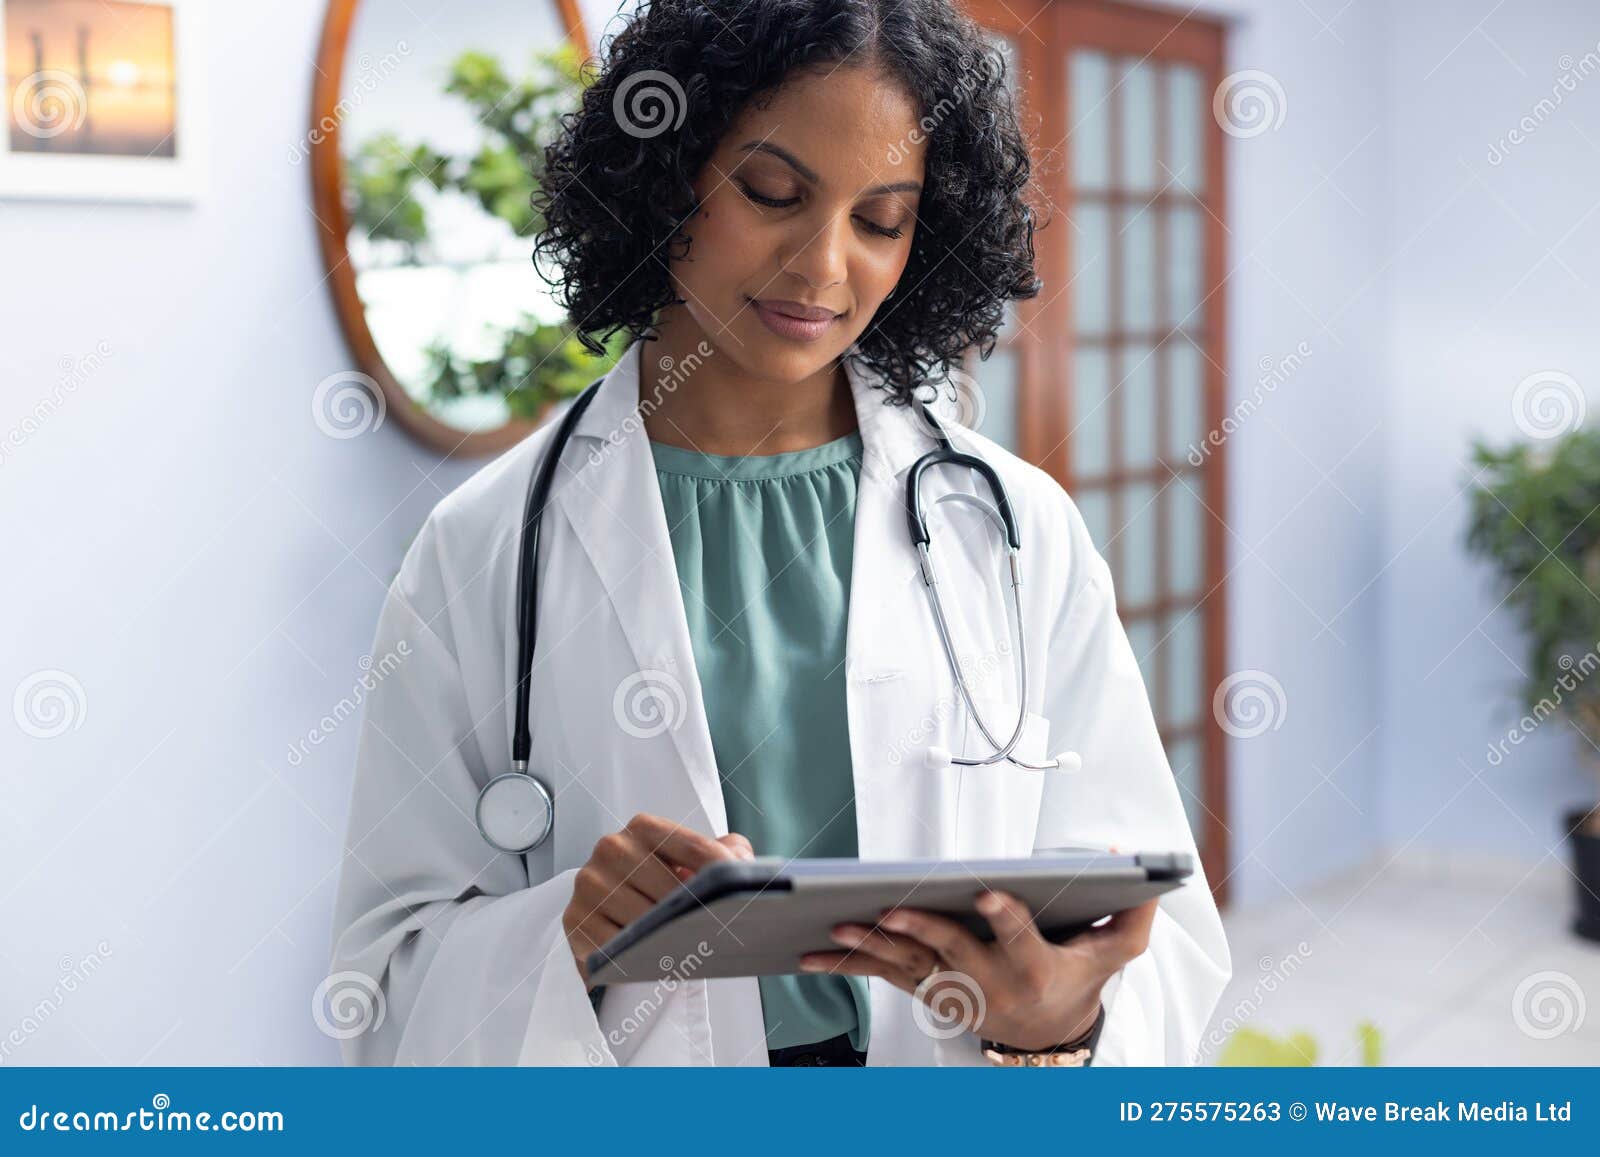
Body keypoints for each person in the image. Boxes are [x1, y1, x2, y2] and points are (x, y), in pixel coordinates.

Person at [328, 0, 1230, 1067]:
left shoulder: (1015, 527)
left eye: (880, 220)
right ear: (666, 181)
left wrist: (1061, 1020)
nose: (821, 267)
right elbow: (379, 986)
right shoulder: (480, 550)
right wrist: (566, 934)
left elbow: (1157, 930)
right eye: (771, 193)